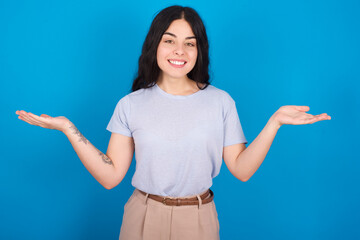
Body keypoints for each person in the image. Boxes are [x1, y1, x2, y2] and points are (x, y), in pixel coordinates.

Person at [15, 5, 331, 240]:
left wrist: (274, 122)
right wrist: (69, 130)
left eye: (190, 43)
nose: (179, 50)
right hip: (143, 216)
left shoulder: (221, 102)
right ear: (156, 46)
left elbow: (242, 169)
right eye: (170, 40)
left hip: (199, 219)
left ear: (198, 50)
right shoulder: (131, 104)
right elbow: (111, 176)